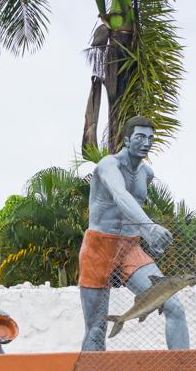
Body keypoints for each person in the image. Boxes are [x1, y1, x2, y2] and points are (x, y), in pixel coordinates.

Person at [79, 115, 190, 351]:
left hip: (130, 247)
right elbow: (120, 197)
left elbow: (133, 212)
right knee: (96, 327)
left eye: (150, 138)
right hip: (99, 247)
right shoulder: (109, 165)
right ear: (127, 140)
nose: (146, 142)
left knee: (173, 306)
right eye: (140, 137)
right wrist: (149, 227)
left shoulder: (146, 173)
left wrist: (151, 235)